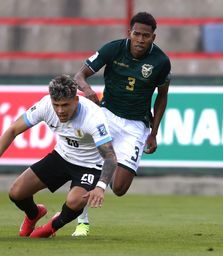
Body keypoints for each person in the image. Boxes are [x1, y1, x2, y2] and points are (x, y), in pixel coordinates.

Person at [72, 11, 171, 236]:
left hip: (136, 125)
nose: (140, 40)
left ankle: (85, 204)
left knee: (119, 188)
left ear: (153, 37)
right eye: (137, 34)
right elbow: (80, 75)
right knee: (91, 167)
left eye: (146, 36)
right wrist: (87, 91)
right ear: (130, 33)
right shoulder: (113, 49)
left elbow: (162, 96)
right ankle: (81, 220)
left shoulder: (161, 61)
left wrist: (154, 133)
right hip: (107, 115)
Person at [0, 74, 117, 238]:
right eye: (56, 105)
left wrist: (101, 187)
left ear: (76, 100)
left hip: (89, 166)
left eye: (65, 105)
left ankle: (51, 227)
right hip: (61, 157)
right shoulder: (46, 105)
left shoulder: (93, 117)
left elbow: (111, 157)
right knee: (16, 193)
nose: (60, 111)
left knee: (75, 201)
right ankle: (34, 214)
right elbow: (12, 130)